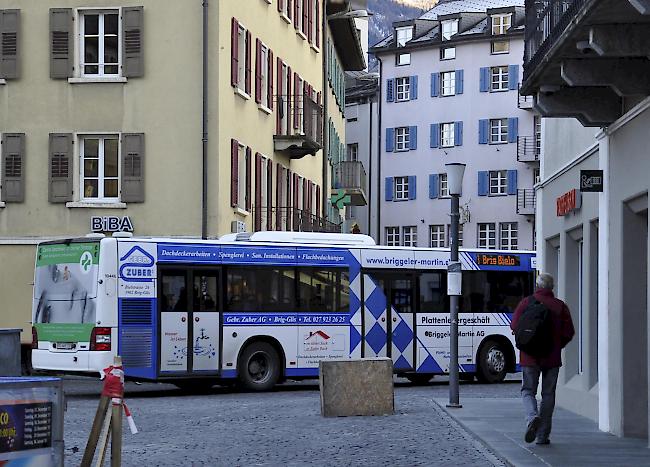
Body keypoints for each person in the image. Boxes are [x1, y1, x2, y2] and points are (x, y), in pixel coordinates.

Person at [510, 273, 575, 445]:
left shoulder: (526, 303)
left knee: (527, 390)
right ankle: (542, 435)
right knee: (548, 394)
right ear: (551, 288)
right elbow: (569, 332)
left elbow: (515, 326)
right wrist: (557, 345)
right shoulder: (560, 306)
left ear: (537, 286)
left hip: (529, 357)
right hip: (551, 358)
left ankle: (532, 417)